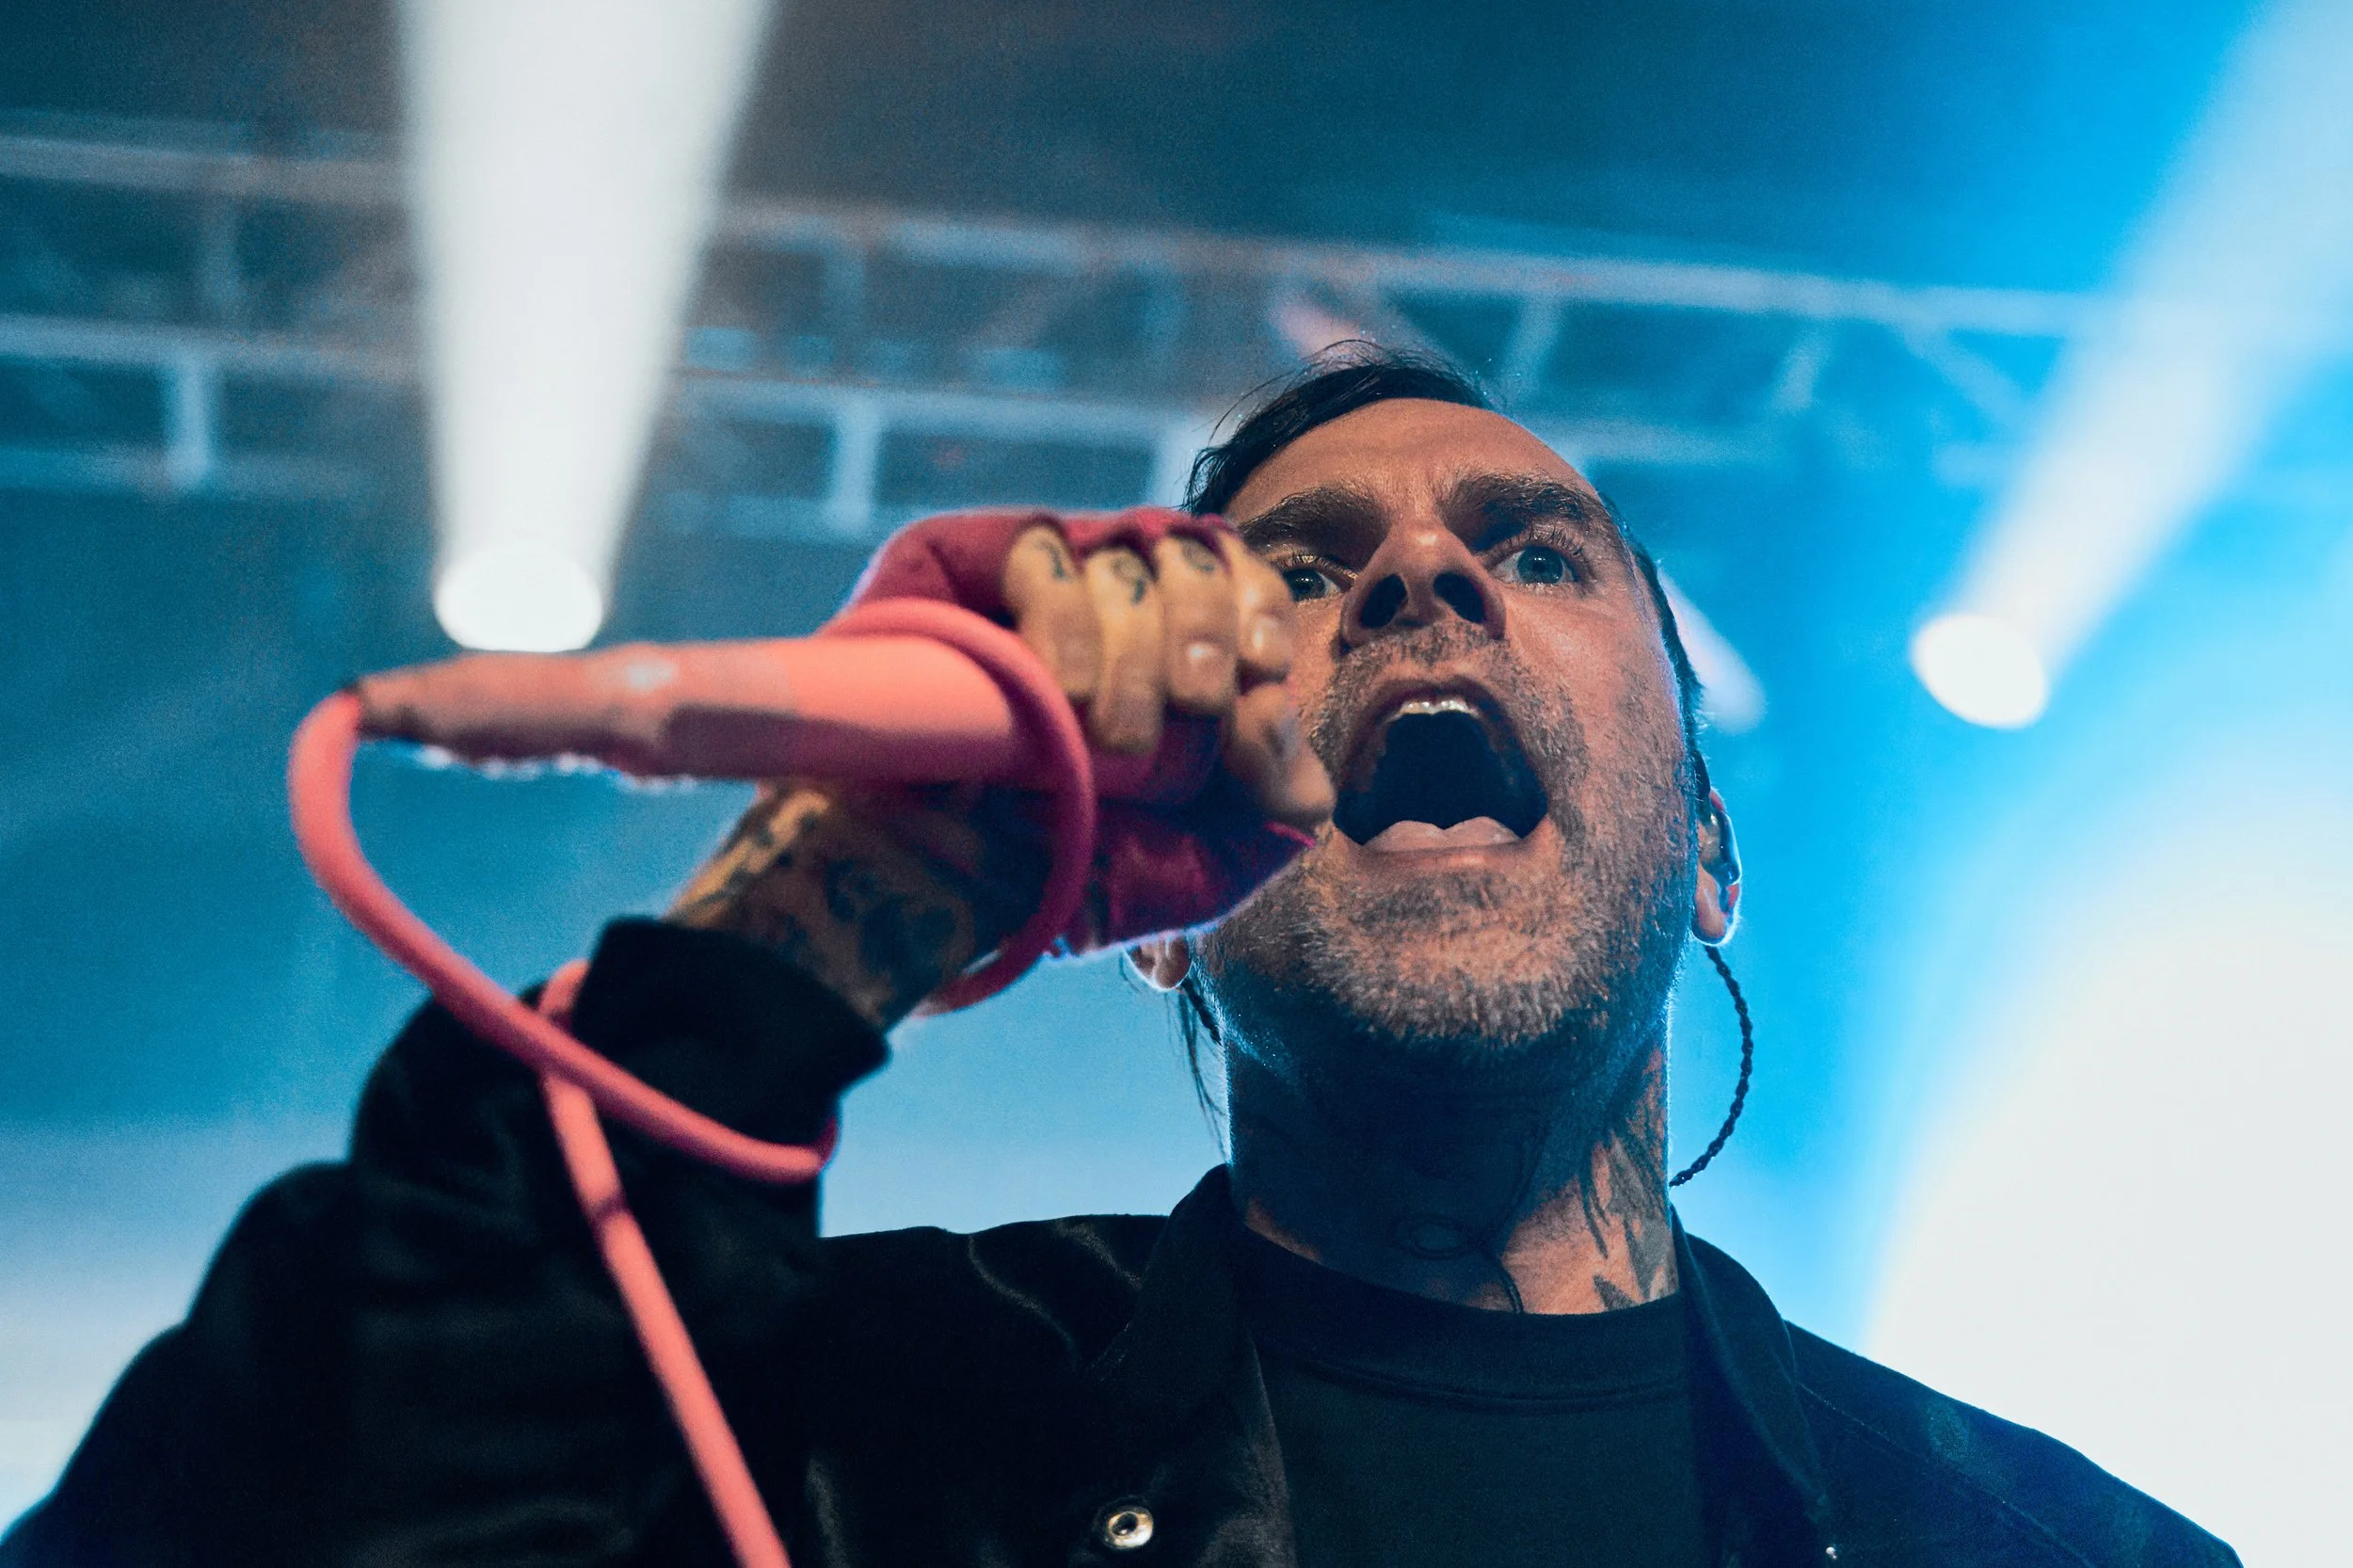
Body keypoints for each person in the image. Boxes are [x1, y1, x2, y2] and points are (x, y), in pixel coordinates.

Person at [2, 350, 2236, 1568]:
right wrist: (831, 895)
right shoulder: (853, 1425)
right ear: (1162, 922)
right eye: (1304, 574)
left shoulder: (2051, 1545)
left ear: (1713, 851)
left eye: (1537, 550)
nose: (1421, 581)